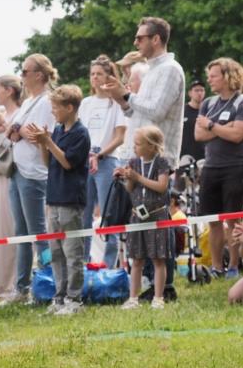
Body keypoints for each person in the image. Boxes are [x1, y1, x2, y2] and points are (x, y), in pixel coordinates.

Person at [25, 85, 90, 315]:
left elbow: (67, 163)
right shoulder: (59, 130)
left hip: (70, 200)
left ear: (69, 108)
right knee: (56, 253)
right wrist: (43, 144)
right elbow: (49, 162)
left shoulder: (80, 134)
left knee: (72, 252)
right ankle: (59, 297)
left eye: (55, 107)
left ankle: (75, 299)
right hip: (53, 198)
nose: (52, 111)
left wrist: (49, 142)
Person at [1, 54, 57, 305]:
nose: (21, 76)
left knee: (38, 232)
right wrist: (17, 131)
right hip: (17, 168)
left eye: (25, 71)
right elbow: (11, 130)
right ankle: (21, 286)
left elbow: (42, 136)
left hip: (34, 171)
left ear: (39, 75)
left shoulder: (47, 101)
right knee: (21, 232)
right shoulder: (27, 102)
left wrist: (19, 130)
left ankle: (47, 281)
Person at [195, 58, 243, 279]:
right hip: (210, 167)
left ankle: (233, 265)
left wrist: (212, 126)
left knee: (232, 220)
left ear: (228, 76)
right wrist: (225, 127)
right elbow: (198, 134)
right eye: (209, 76)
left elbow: (237, 135)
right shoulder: (208, 103)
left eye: (214, 76)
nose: (209, 80)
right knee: (213, 220)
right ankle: (217, 266)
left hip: (234, 167)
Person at [104, 17, 186, 167]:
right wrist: (121, 100)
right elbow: (139, 114)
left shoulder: (170, 69)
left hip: (156, 162)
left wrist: (127, 95)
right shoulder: (151, 69)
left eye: (140, 38)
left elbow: (157, 112)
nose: (135, 43)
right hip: (137, 158)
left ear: (155, 39)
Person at [79, 56, 128, 267]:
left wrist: (99, 155)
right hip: (85, 161)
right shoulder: (85, 103)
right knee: (84, 214)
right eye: (92, 74)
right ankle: (83, 263)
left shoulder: (115, 103)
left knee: (109, 215)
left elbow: (120, 137)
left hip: (106, 160)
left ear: (108, 76)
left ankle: (108, 265)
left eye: (99, 74)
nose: (95, 78)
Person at [119, 127, 173, 310]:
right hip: (137, 216)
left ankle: (158, 298)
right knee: (136, 259)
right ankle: (133, 298)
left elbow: (161, 187)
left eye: (138, 144)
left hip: (157, 216)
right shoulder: (133, 162)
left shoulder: (162, 162)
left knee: (158, 258)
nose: (134, 147)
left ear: (151, 146)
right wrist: (126, 177)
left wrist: (138, 177)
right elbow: (129, 189)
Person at [0, 75, 21, 300]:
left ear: (9, 90)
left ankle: (11, 283)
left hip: (11, 176)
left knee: (10, 229)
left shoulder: (19, 115)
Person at [180, 79, 207, 162]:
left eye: (202, 90)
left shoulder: (208, 111)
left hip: (203, 157)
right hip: (184, 157)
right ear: (190, 93)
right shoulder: (182, 111)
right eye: (196, 90)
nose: (199, 93)